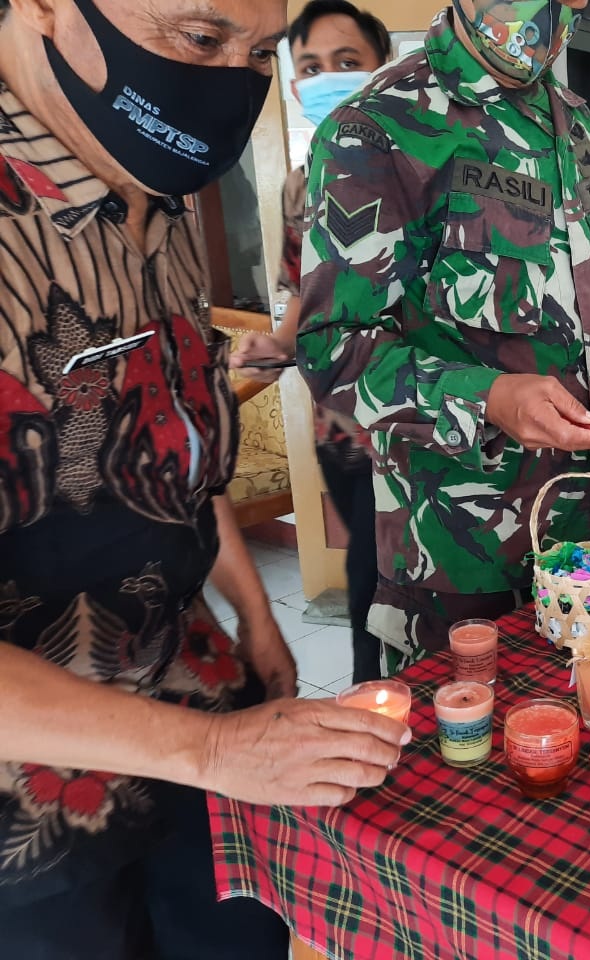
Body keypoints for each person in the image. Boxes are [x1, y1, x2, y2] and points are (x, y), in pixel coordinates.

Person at [0, 0, 409, 955]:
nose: (232, 79)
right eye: (198, 38)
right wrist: (216, 750)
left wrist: (258, 626)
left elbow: (175, 461)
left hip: (199, 727)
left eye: (260, 51)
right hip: (34, 816)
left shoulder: (159, 193)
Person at [296, 0, 590, 659]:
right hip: (462, 558)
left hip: (588, 537)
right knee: (471, 752)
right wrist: (488, 397)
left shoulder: (571, 119)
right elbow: (332, 351)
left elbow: (588, 284)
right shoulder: (379, 129)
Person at [231, 0, 392, 683]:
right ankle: (373, 707)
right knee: (367, 584)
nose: (330, 78)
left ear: (386, 71)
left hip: (423, 429)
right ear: (295, 87)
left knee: (423, 589)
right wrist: (273, 346)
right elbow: (299, 289)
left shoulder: (424, 167)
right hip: (342, 431)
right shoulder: (302, 182)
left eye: (348, 64)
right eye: (313, 69)